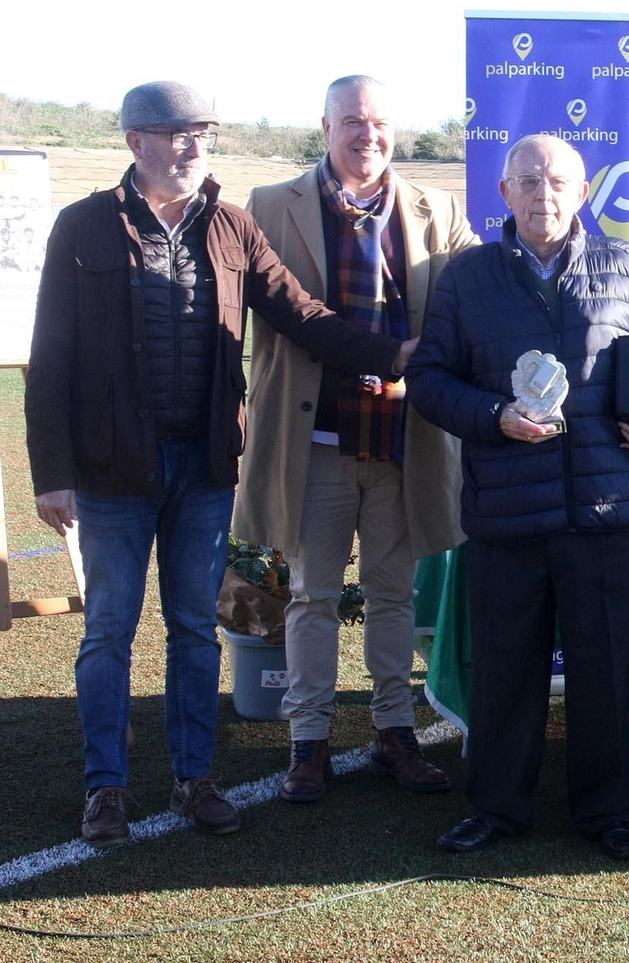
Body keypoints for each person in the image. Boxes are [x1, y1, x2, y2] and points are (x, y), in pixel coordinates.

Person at [25, 81, 417, 849]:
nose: (193, 146)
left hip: (204, 468)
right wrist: (52, 471)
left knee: (194, 633)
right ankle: (105, 788)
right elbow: (52, 356)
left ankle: (192, 778)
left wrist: (393, 354)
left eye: (201, 132)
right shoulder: (81, 227)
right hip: (111, 471)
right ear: (135, 140)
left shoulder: (233, 227)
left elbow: (300, 313)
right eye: (176, 133)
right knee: (108, 631)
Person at [404, 134, 629, 860]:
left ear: (582, 194)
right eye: (529, 180)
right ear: (504, 193)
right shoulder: (464, 277)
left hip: (607, 513)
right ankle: (497, 807)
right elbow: (430, 381)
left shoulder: (627, 266)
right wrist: (494, 417)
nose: (545, 192)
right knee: (505, 672)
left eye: (560, 180)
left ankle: (609, 811)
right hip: (507, 512)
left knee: (608, 673)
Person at [233, 76, 479, 804]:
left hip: (404, 439)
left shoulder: (440, 208)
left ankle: (393, 731)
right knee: (311, 593)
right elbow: (278, 314)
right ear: (325, 126)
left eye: (377, 123)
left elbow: (467, 304)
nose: (366, 135)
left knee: (392, 594)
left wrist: (419, 365)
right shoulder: (270, 206)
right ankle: (307, 739)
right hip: (315, 440)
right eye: (352, 122)